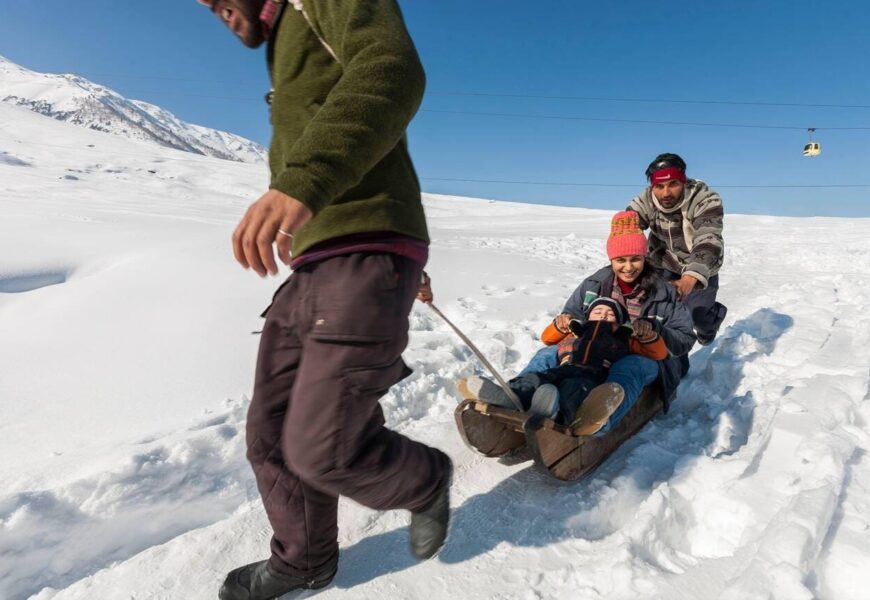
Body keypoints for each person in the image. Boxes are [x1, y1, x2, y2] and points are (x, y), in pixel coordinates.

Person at [197, 1, 452, 598]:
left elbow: (392, 67)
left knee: (322, 449)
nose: (219, 9)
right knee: (270, 433)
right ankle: (304, 559)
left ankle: (423, 480)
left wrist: (302, 182)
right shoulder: (283, 38)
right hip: (317, 261)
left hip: (365, 249)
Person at [464, 211, 696, 432]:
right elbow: (572, 316)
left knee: (628, 367)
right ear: (611, 259)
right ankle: (515, 396)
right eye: (620, 260)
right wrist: (566, 324)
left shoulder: (664, 292)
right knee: (548, 355)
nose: (628, 267)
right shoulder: (594, 284)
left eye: (635, 259)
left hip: (647, 355)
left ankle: (597, 420)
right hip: (595, 350)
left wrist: (655, 331)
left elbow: (685, 338)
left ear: (644, 257)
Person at [461, 296, 668, 435]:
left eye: (609, 314)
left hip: (592, 374)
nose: (603, 315)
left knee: (574, 390)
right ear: (587, 316)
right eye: (598, 312)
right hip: (564, 366)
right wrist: (559, 326)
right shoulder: (577, 331)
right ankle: (510, 397)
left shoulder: (623, 335)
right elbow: (547, 338)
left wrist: (648, 337)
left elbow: (658, 353)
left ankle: (559, 415)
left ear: (620, 321)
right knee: (537, 379)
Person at [627, 153, 727, 346]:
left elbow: (708, 239)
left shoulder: (705, 199)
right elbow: (627, 228)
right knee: (652, 307)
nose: (666, 193)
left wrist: (689, 280)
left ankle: (709, 324)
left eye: (673, 184)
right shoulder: (646, 200)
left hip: (700, 264)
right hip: (662, 261)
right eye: (659, 186)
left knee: (697, 315)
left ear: (684, 182)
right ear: (652, 186)